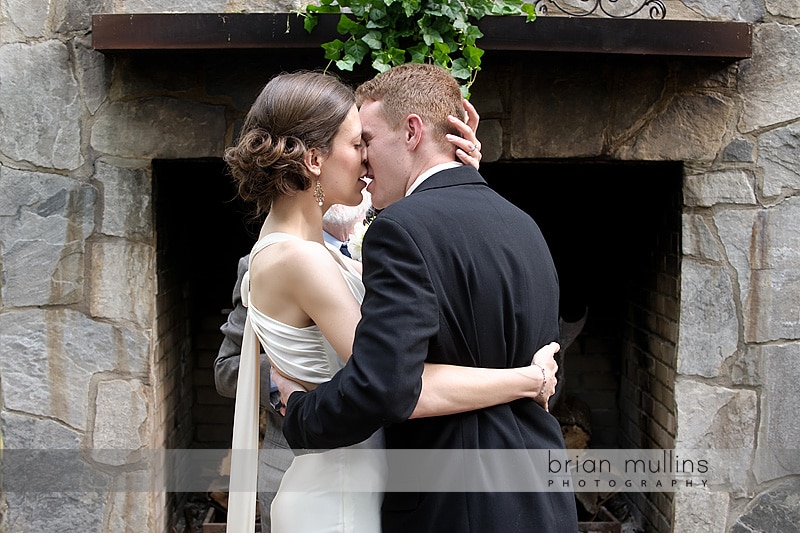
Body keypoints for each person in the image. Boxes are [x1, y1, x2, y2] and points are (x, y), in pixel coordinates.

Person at [223, 70, 563, 533]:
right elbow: (392, 386)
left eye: (368, 141)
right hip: (339, 499)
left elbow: (434, 269)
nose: (365, 159)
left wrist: (455, 178)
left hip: (371, 488)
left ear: (411, 132)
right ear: (315, 159)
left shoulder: (317, 247)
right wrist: (528, 378)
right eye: (356, 143)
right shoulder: (300, 259)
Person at [214, 194, 371, 533]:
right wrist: (287, 379)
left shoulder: (386, 255)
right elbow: (226, 370)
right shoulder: (266, 262)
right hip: (291, 462)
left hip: (377, 466)